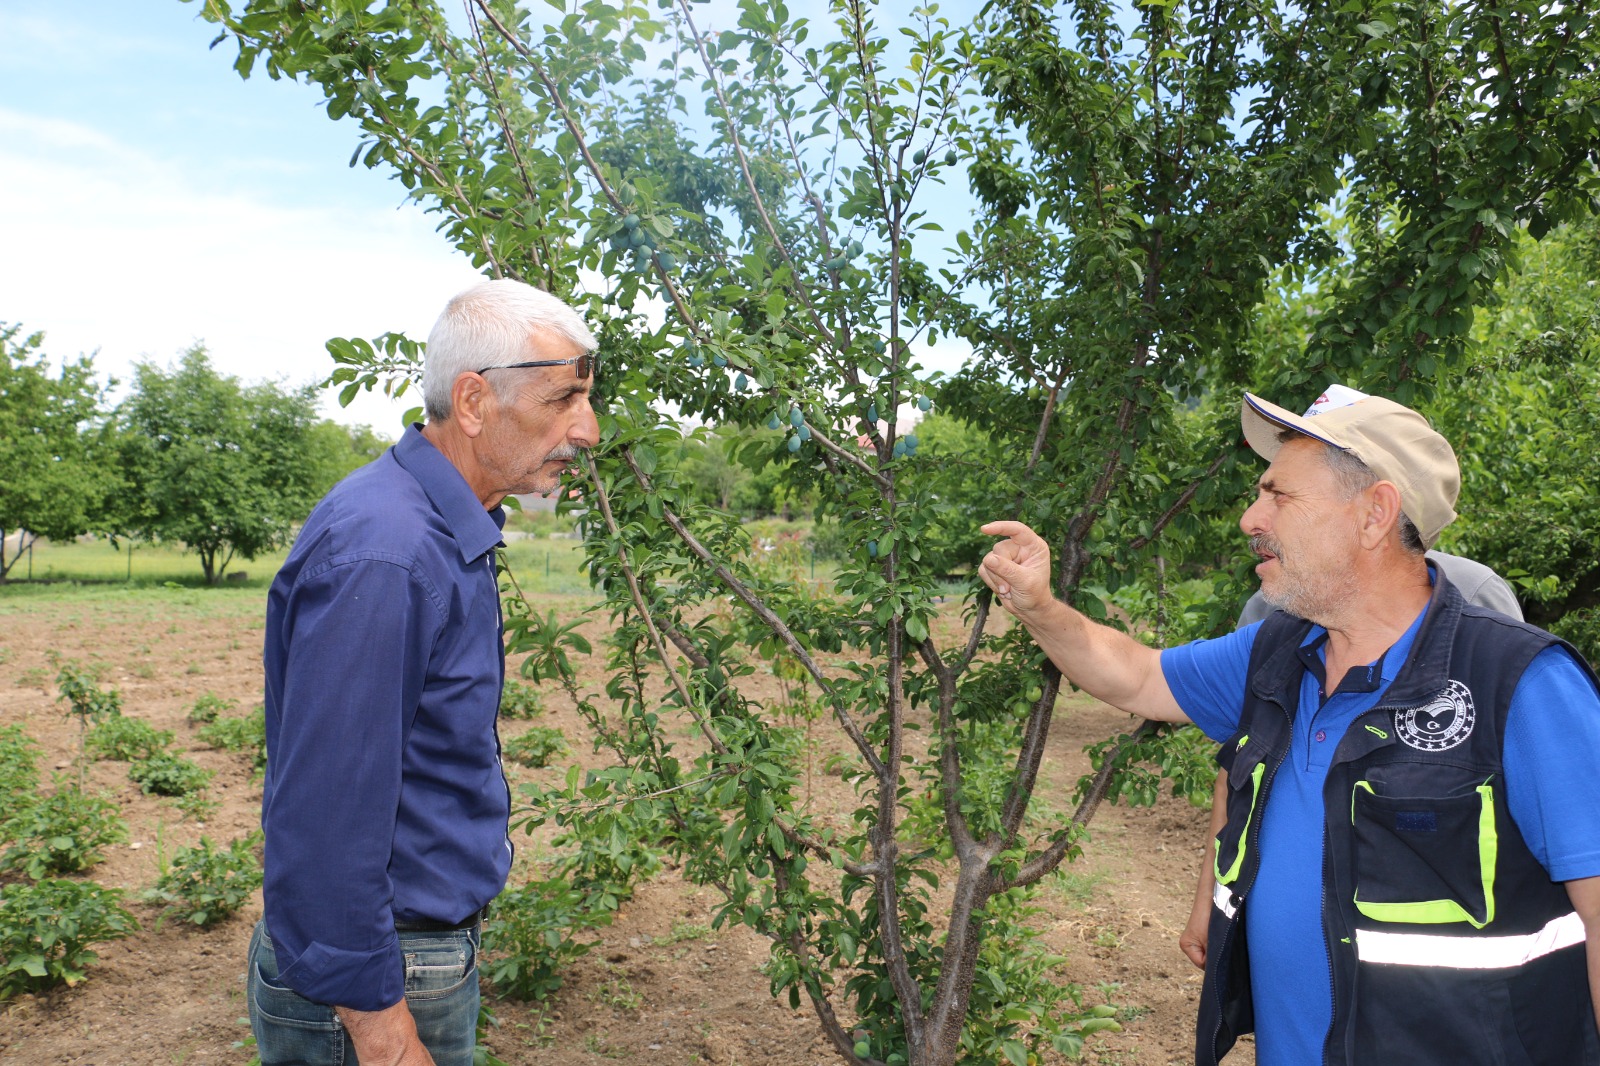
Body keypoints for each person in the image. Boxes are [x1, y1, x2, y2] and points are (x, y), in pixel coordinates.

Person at [978, 389, 1600, 1066]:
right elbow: (1136, 677)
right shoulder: (1276, 653)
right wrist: (1036, 606)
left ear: (1374, 515)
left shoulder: (1520, 683)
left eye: (1279, 496)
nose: (1251, 518)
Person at [248, 279, 600, 1066]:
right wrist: (380, 1029)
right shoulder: (389, 553)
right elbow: (328, 812)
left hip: (405, 954)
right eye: (564, 400)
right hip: (378, 975)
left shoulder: (432, 528)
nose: (589, 429)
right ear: (473, 402)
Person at [1178, 387, 1529, 973]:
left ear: (1374, 510)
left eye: (1290, 491)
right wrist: (1211, 901)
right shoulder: (1271, 614)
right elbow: (1240, 770)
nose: (1255, 518)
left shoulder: (1480, 603)